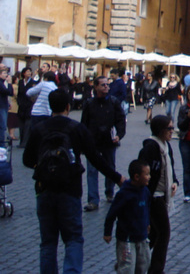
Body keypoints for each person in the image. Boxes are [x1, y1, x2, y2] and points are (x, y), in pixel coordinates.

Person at [24, 88, 125, 274]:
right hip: (70, 189)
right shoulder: (76, 129)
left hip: (44, 190)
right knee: (73, 239)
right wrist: (117, 178)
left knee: (48, 242)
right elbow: (95, 159)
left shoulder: (39, 129)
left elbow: (27, 160)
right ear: (68, 106)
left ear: (50, 106)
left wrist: (44, 168)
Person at [139, 115, 178, 274]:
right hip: (154, 196)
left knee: (155, 233)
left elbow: (170, 168)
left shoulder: (166, 146)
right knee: (163, 233)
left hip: (163, 194)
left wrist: (174, 182)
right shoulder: (151, 148)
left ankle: (140, 260)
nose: (172, 131)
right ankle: (155, 269)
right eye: (169, 128)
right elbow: (144, 170)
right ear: (160, 130)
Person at [81, 75, 127, 211]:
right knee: (91, 171)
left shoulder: (113, 102)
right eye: (103, 85)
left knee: (110, 167)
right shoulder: (89, 104)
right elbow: (84, 124)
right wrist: (83, 142)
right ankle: (93, 200)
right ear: (95, 87)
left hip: (109, 141)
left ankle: (109, 192)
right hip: (93, 142)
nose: (106, 87)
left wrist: (119, 135)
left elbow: (120, 119)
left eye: (107, 84)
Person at [104, 159, 152, 274]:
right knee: (127, 266)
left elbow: (147, 208)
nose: (149, 177)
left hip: (142, 236)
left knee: (143, 263)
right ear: (136, 177)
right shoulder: (124, 194)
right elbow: (112, 214)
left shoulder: (145, 191)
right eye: (146, 174)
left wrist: (148, 223)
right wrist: (107, 232)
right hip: (127, 238)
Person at [17, 66, 37, 148]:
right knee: (21, 125)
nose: (29, 73)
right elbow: (19, 93)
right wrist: (19, 102)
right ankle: (21, 141)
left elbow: (34, 94)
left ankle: (25, 142)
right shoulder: (21, 82)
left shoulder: (33, 82)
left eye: (30, 72)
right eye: (27, 72)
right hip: (21, 105)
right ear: (24, 73)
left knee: (27, 125)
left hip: (29, 105)